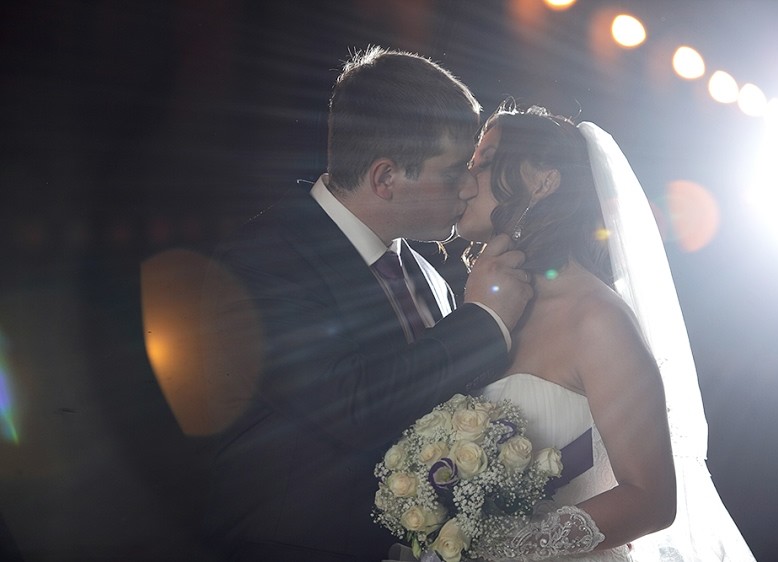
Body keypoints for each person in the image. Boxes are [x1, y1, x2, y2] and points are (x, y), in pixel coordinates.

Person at [199, 48, 533, 562]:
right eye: (454, 172)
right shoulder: (261, 260)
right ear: (385, 178)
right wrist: (486, 321)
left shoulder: (428, 274)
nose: (469, 187)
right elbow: (351, 403)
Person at [455, 103, 756, 561]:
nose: (466, 177)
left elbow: (652, 499)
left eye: (487, 161)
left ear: (544, 182)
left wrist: (510, 548)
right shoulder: (487, 306)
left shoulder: (597, 318)